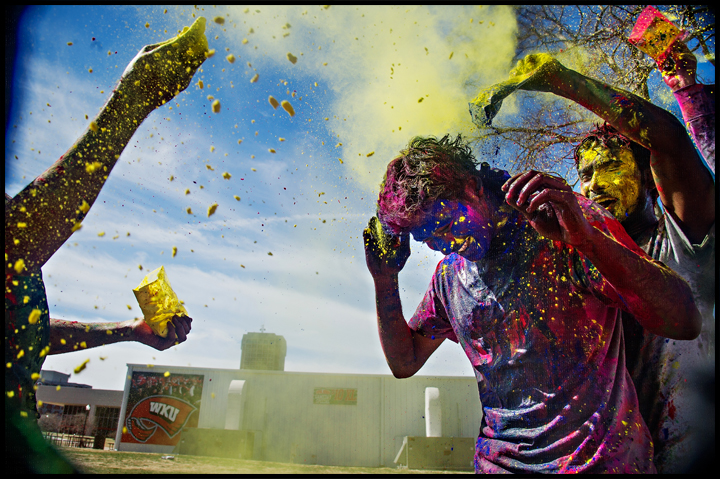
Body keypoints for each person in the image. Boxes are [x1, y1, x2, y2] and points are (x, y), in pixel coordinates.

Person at [363, 134, 701, 473]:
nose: (442, 244)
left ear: (472, 187)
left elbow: (683, 321)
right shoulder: (449, 277)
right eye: (428, 239)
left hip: (602, 465)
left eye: (447, 226)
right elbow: (405, 362)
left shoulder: (562, 224)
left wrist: (588, 240)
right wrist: (384, 279)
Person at [5, 17, 209, 473]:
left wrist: (128, 331)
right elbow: (17, 243)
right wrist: (131, 101)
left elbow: (26, 334)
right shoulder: (17, 241)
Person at [505, 48, 714, 473]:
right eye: (586, 174)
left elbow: (668, 140)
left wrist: (561, 80)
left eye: (610, 167)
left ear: (648, 178)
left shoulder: (681, 234)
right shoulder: (581, 257)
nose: (595, 185)